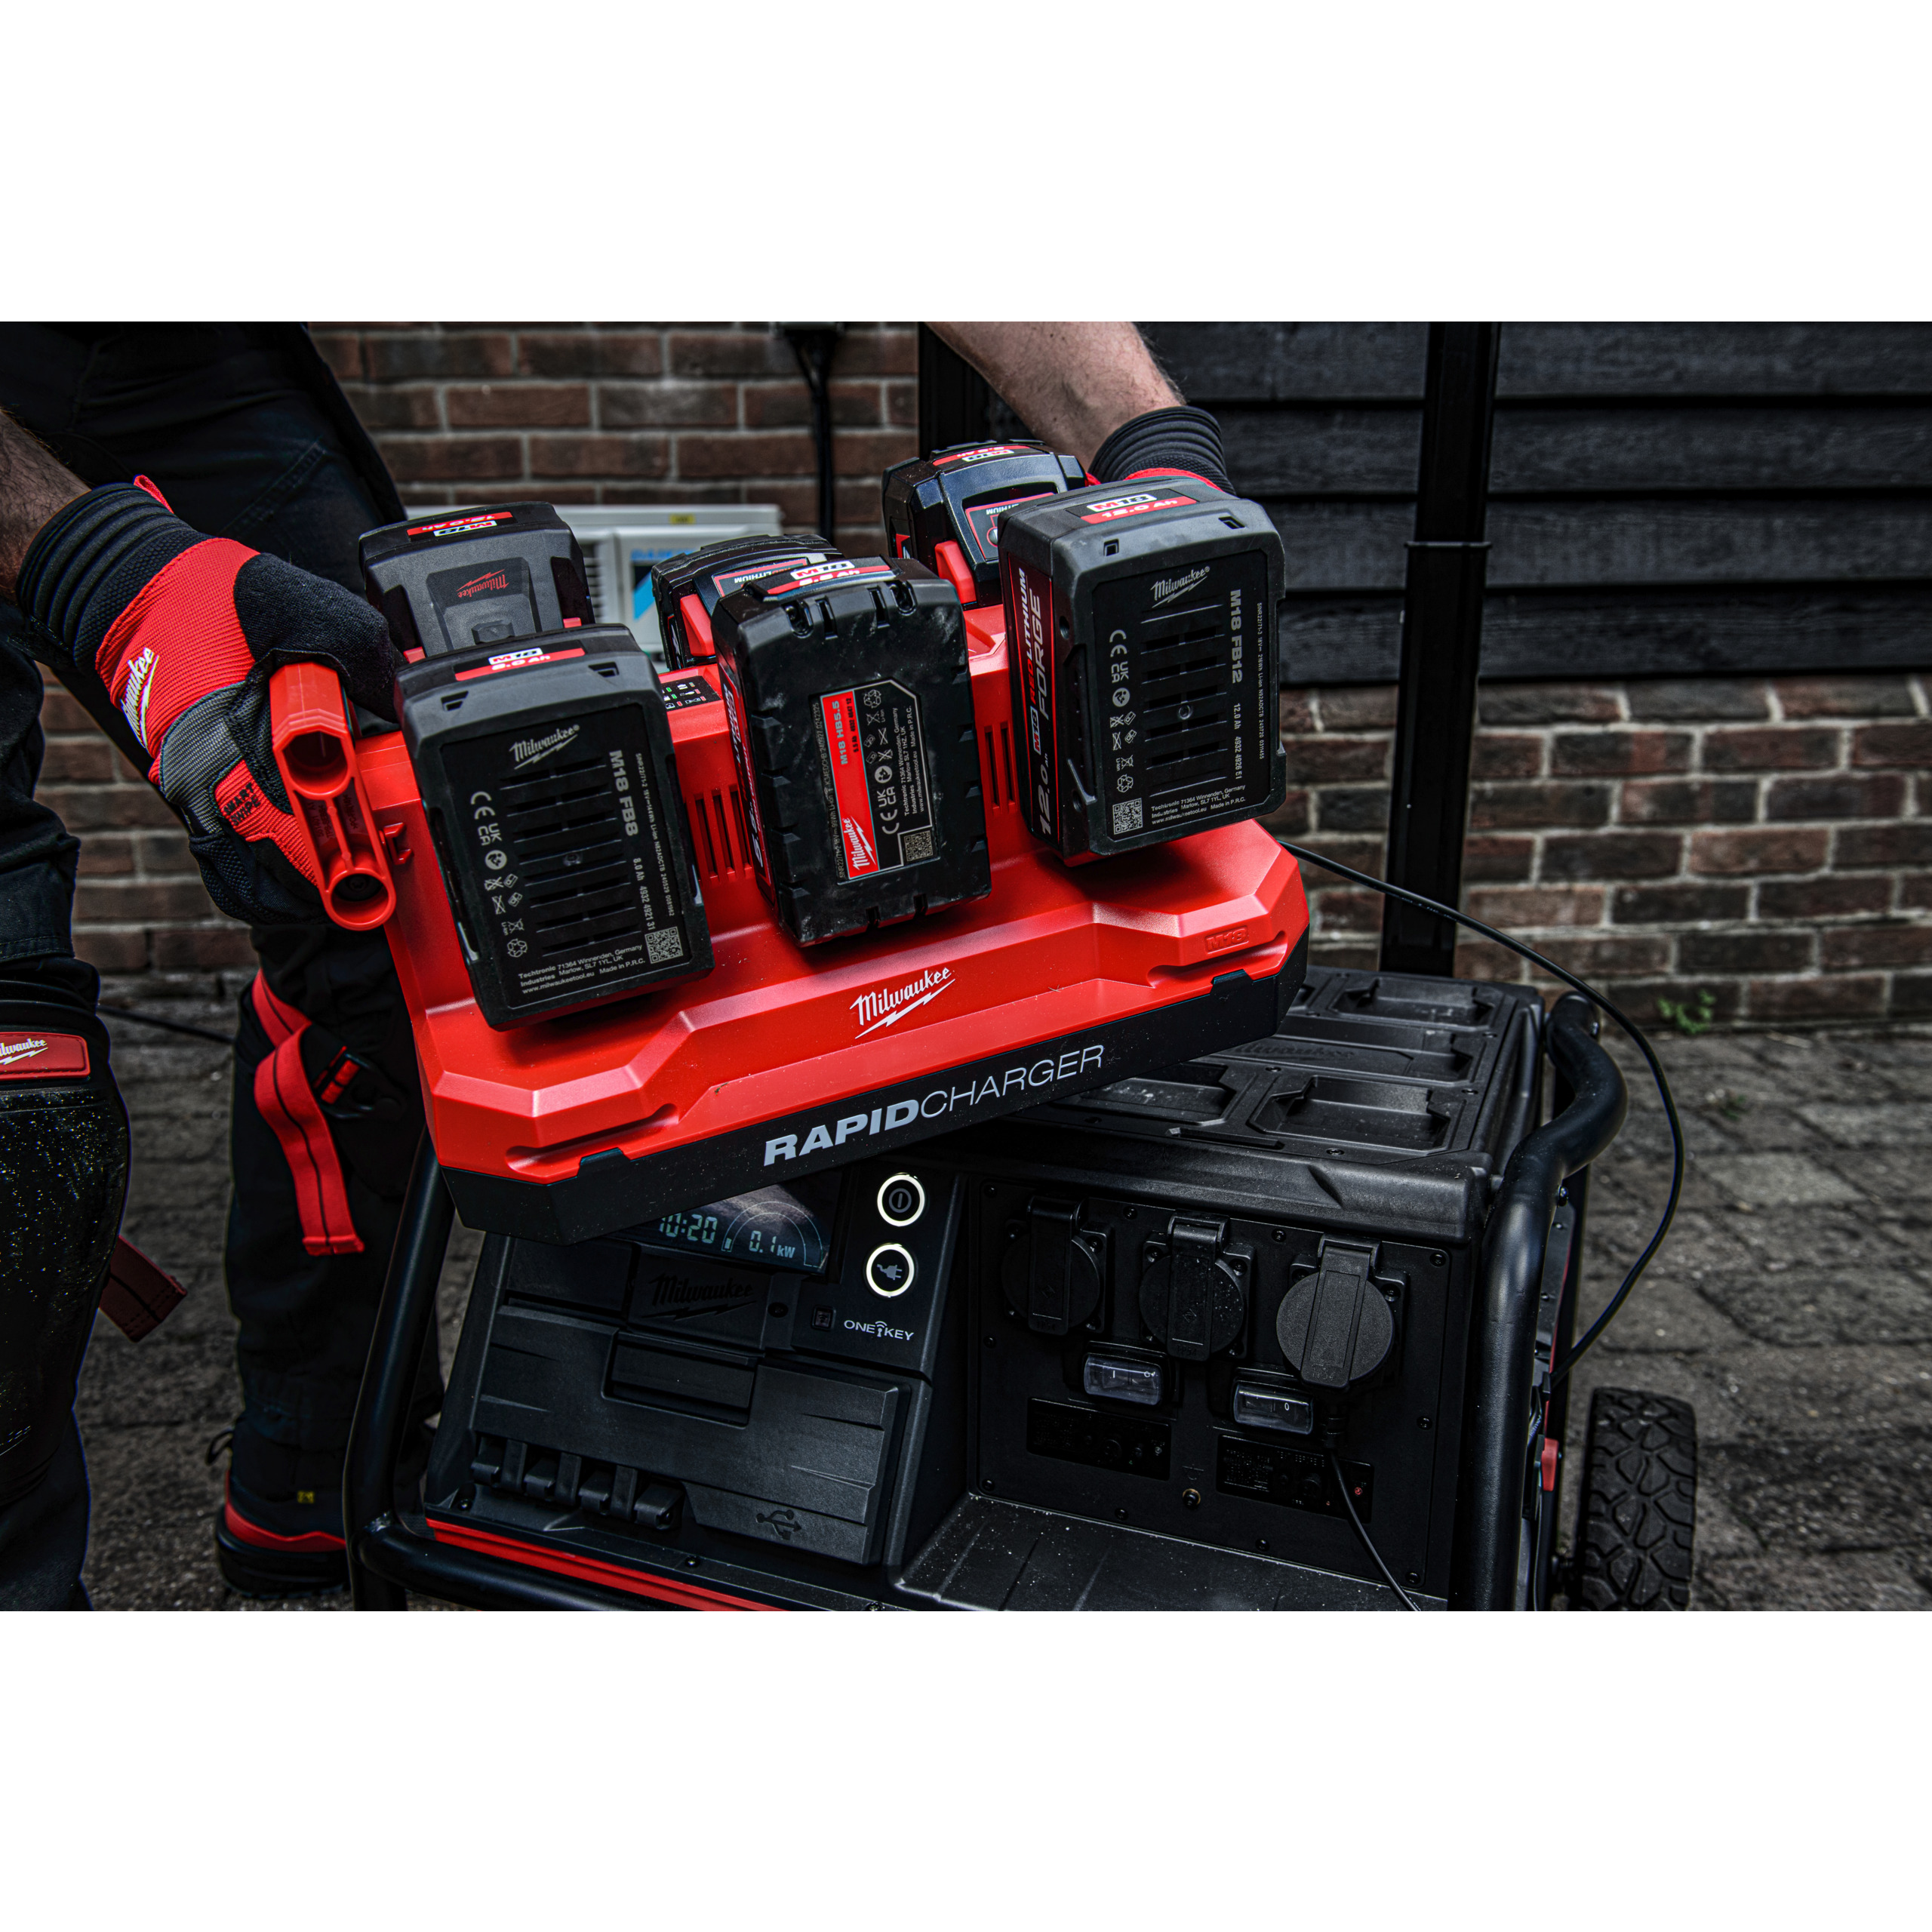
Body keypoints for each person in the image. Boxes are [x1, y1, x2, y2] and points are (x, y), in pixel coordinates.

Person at [0, 321, 1232, 1608]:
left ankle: (311, 1463)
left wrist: (1148, 433)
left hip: (159, 350)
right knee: (23, 1128)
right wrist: (91, 564)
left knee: (380, 909)